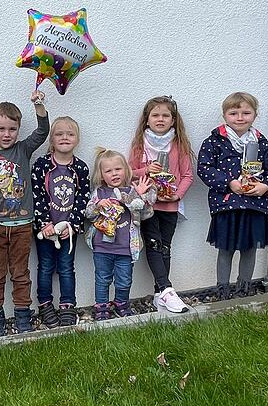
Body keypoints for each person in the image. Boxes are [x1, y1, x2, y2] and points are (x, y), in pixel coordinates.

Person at [0, 90, 49, 336]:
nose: (7, 134)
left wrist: (39, 107)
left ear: (18, 129)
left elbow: (42, 132)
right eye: (1, 129)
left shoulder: (23, 150)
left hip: (22, 224)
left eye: (12, 129)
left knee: (20, 272)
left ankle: (23, 315)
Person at [197, 92, 268, 299]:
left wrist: (264, 187)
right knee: (226, 249)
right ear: (225, 115)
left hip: (255, 207)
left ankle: (243, 289)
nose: (240, 117)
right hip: (227, 206)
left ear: (254, 115)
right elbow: (204, 168)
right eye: (234, 113)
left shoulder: (261, 143)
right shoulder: (214, 141)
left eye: (246, 112)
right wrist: (229, 183)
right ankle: (222, 290)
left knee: (249, 249)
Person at [128, 96, 194, 313]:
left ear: (173, 120)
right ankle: (167, 289)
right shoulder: (140, 145)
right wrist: (145, 171)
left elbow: (187, 175)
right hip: (148, 206)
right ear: (147, 120)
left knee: (165, 247)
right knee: (154, 244)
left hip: (170, 205)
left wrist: (176, 195)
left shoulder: (179, 144)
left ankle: (160, 294)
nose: (160, 119)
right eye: (155, 115)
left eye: (166, 115)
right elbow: (128, 174)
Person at [31, 116, 90, 328]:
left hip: (68, 232)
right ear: (52, 139)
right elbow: (36, 195)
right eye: (59, 134)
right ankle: (45, 304)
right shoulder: (42, 165)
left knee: (66, 268)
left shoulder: (81, 168)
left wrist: (73, 225)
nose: (64, 137)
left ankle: (68, 304)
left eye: (70, 134)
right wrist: (44, 223)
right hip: (45, 230)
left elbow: (83, 198)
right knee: (45, 266)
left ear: (77, 139)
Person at [85, 148, 156, 321]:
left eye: (118, 169)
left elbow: (147, 214)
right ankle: (101, 306)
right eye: (108, 171)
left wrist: (139, 196)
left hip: (126, 247)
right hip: (102, 246)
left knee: (124, 279)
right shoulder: (99, 193)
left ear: (126, 170)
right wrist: (98, 206)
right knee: (102, 278)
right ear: (102, 175)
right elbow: (88, 214)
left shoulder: (131, 191)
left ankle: (121, 303)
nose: (114, 173)